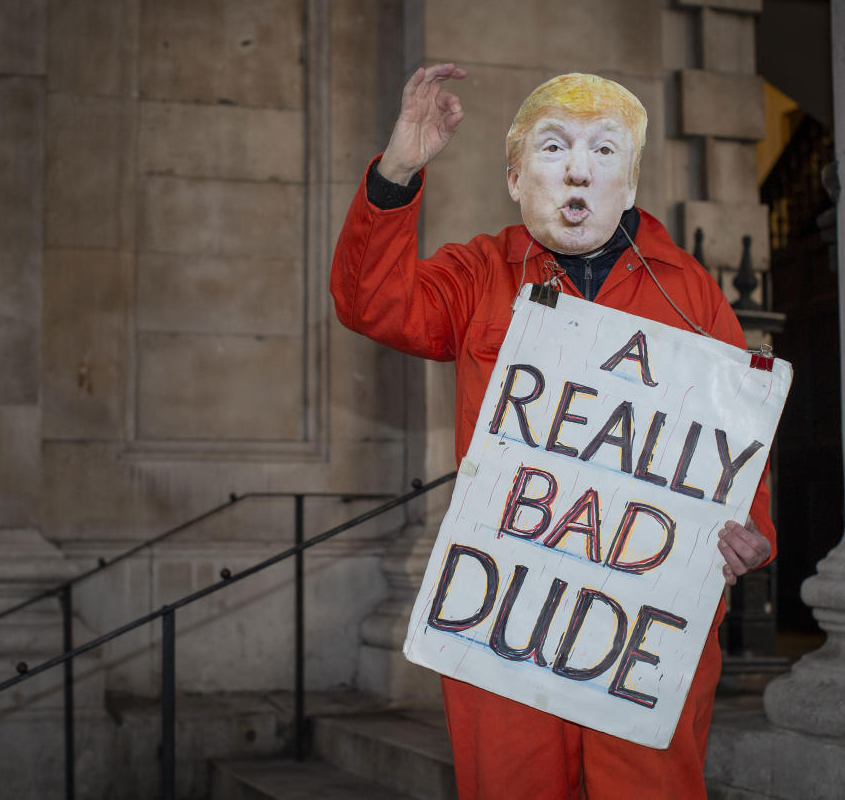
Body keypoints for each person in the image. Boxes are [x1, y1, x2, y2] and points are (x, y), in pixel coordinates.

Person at [330, 64, 774, 800]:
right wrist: (398, 171)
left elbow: (737, 438)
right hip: (510, 618)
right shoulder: (479, 274)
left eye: (604, 152)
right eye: (553, 147)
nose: (578, 169)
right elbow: (372, 303)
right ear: (514, 178)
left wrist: (752, 532)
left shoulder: (689, 290)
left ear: (629, 184)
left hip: (644, 620)